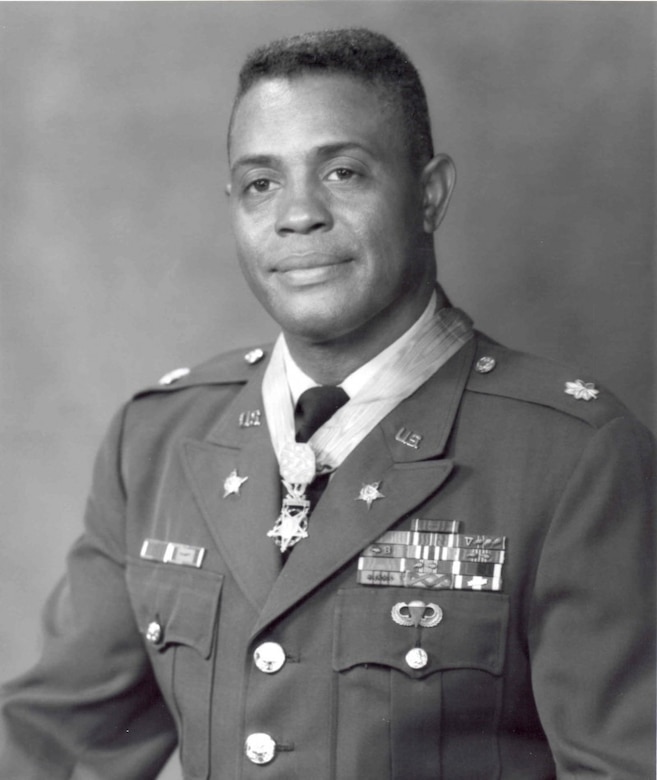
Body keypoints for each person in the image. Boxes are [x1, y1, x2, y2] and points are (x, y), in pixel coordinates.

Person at [1, 27, 654, 780]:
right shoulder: (155, 440)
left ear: (429, 194)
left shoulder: (571, 454)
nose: (296, 215)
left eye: (343, 172)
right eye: (260, 183)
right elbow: (56, 743)